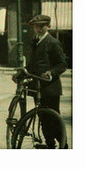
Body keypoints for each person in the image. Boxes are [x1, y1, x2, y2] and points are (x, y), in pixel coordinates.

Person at [22, 14, 68, 148]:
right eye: (36, 27)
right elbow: (33, 64)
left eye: (41, 26)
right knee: (43, 119)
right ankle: (50, 145)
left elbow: (62, 64)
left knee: (53, 120)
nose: (38, 29)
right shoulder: (35, 41)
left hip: (50, 88)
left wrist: (51, 73)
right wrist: (23, 71)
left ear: (48, 26)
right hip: (37, 86)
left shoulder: (53, 42)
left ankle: (64, 146)